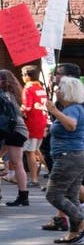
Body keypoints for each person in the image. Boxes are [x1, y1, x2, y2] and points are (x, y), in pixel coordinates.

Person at [42, 76, 84, 244]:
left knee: (53, 194)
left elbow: (71, 125)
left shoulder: (72, 109)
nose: (56, 91)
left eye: (59, 89)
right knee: (71, 195)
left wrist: (54, 111)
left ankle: (81, 222)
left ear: (68, 92)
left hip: (69, 157)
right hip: (75, 155)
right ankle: (73, 232)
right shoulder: (73, 108)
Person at [0, 70, 30, 207]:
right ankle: (23, 196)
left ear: (2, 81)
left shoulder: (4, 95)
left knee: (17, 163)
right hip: (17, 131)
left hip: (13, 131)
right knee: (18, 163)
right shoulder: (12, 94)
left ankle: (23, 196)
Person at [19, 66, 48, 192]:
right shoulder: (40, 87)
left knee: (29, 152)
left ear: (27, 76)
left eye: (22, 74)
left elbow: (27, 107)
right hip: (42, 121)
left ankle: (34, 179)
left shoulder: (28, 88)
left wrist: (17, 111)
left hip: (31, 123)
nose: (22, 77)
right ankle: (52, 171)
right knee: (36, 150)